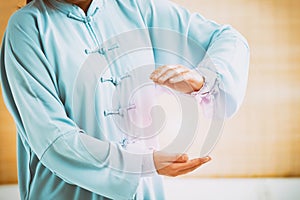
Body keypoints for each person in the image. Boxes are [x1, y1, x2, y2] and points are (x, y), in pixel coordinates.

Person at [0, 0, 249, 199]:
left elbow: (229, 39)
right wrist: (139, 164)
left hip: (144, 192)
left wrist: (204, 79)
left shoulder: (137, 8)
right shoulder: (27, 28)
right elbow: (51, 137)